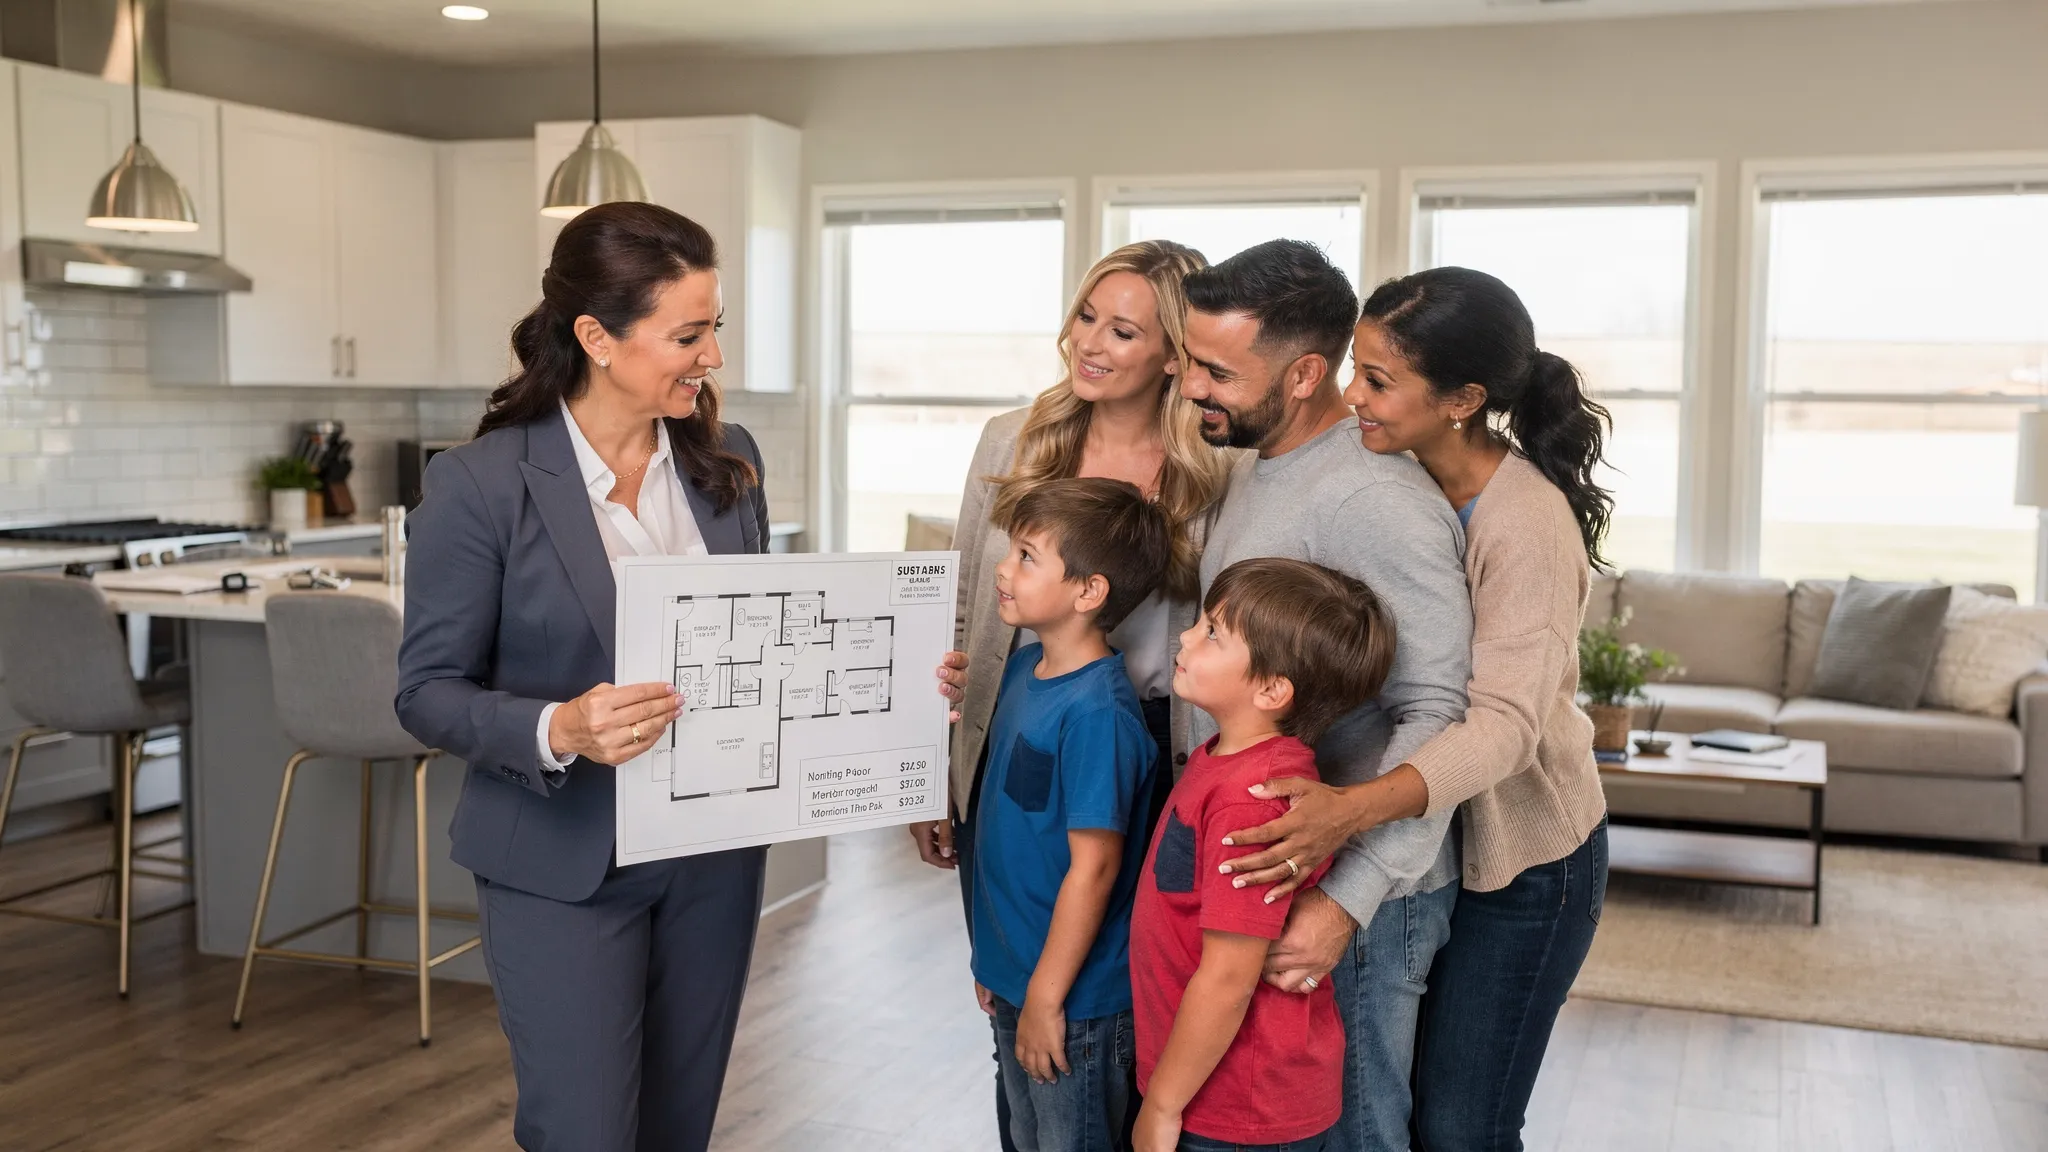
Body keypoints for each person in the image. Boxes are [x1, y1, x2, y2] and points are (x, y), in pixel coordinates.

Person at [394, 202, 967, 1151]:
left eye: (716, 331)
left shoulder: (724, 460)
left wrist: (898, 675)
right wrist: (561, 728)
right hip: (561, 862)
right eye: (687, 335)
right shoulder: (480, 486)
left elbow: (761, 644)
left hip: (712, 856)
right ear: (596, 337)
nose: (711, 359)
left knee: (678, 1126)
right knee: (583, 1131)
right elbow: (427, 692)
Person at [1216, 266, 1614, 1151]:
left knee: (1463, 1125)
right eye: (1357, 367)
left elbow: (1503, 729)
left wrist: (1351, 810)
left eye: (1379, 381)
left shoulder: (1524, 524)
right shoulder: (1400, 474)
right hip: (1436, 847)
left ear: (1464, 399)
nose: (1353, 395)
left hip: (1527, 864)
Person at [910, 241, 1229, 1148]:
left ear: (1173, 351)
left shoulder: (1210, 466)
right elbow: (968, 606)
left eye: (1122, 330)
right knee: (1012, 1006)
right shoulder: (1011, 440)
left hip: (1145, 756)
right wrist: (941, 774)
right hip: (1011, 740)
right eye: (1086, 316)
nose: (1088, 343)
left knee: (1107, 1014)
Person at [1174, 240, 1473, 1151]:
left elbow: (1439, 713)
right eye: (1191, 360)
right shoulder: (1263, 465)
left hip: (1362, 900)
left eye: (1217, 371)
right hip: (1282, 878)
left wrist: (1347, 899)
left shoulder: (1373, 500)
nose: (1192, 387)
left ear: (1304, 374)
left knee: (1357, 1135)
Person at [1131, 558, 1396, 1152]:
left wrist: (1163, 1105)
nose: (1185, 636)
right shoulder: (1220, 759)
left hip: (1237, 1110)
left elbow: (1228, 977)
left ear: (1272, 689)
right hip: (1209, 1089)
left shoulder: (1253, 801)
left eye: (1212, 633)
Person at [969, 477, 1173, 1152]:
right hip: (1019, 981)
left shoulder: (1099, 717)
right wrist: (999, 967)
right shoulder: (1026, 672)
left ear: (1089, 592)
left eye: (1027, 556)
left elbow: (1095, 871)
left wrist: (1048, 998)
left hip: (1075, 1008)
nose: (1004, 567)